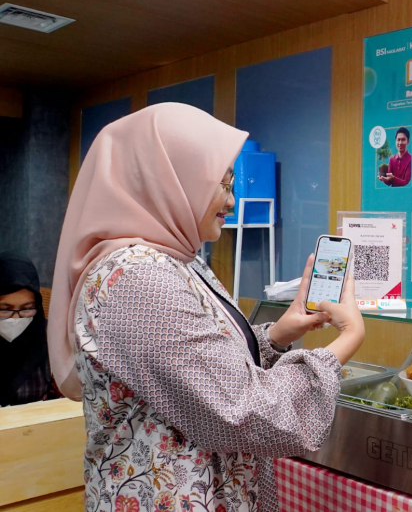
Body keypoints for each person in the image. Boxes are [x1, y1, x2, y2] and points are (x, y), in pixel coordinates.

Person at [47, 103, 365, 511]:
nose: (231, 203)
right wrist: (346, 342)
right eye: (222, 183)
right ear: (169, 179)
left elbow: (199, 368)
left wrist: (280, 333)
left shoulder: (175, 261)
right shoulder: (139, 279)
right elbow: (240, 409)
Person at [0, 253, 60, 406]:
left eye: (26, 309)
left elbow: (63, 402)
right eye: (4, 309)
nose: (15, 319)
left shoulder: (51, 337)